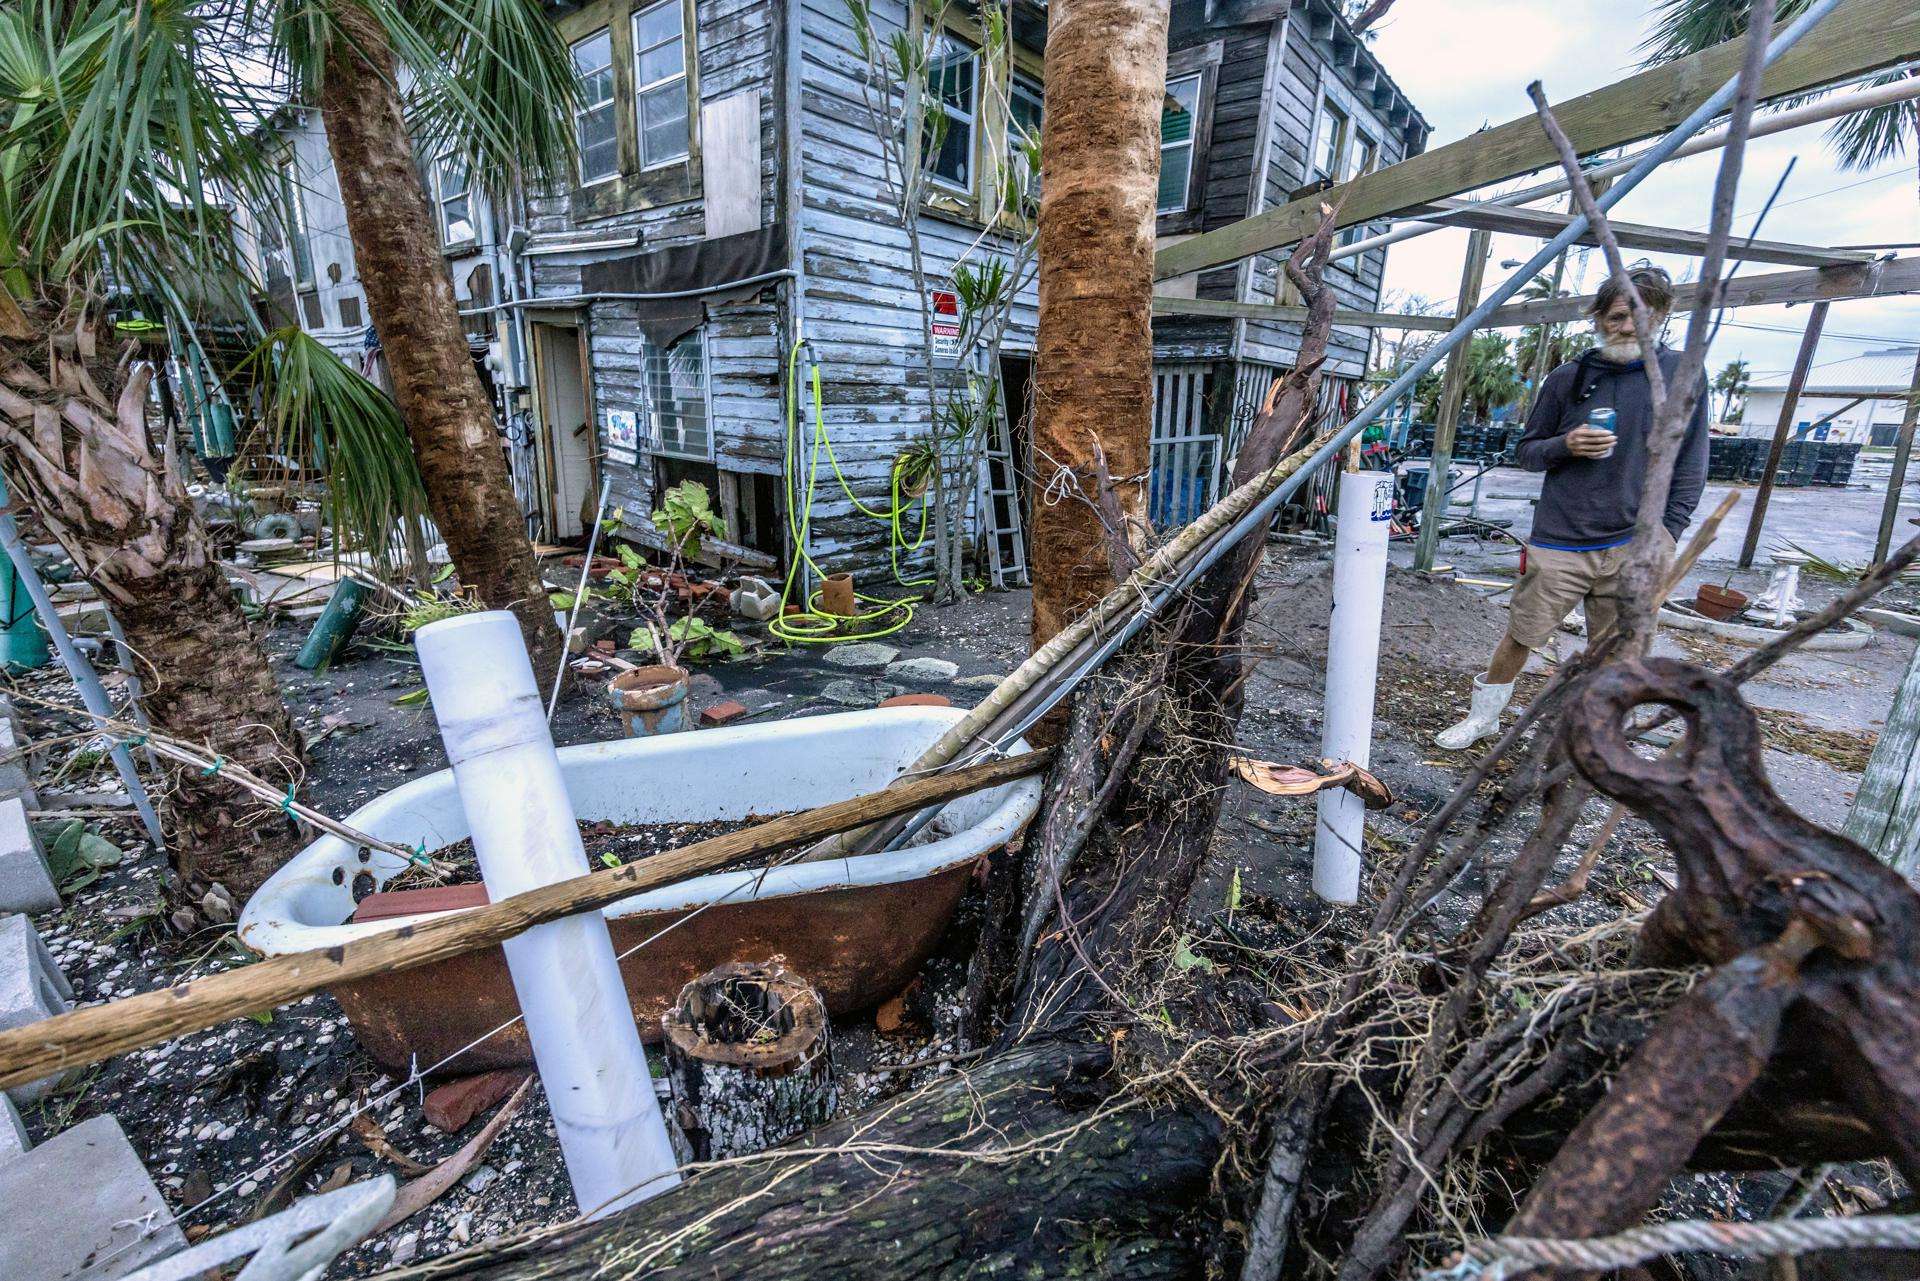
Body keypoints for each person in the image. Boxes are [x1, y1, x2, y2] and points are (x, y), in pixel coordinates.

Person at [1435, 266, 1710, 750]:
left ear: (1662, 317)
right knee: (1522, 634)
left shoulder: (1683, 376)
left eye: (1643, 317)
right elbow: (1527, 451)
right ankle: (1484, 719)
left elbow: (1693, 460)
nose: (1629, 328)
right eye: (1618, 317)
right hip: (1562, 538)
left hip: (1635, 542)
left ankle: (1601, 736)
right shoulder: (1570, 378)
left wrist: (1669, 531)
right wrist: (1565, 445)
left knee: (1618, 650)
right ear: (1598, 318)